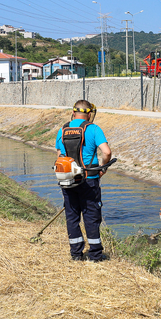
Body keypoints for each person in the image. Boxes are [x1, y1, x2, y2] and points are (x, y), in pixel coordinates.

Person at [56, 99, 112, 261]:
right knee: (91, 216)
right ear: (89, 115)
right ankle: (95, 255)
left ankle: (76, 254)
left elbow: (59, 155)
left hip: (68, 179)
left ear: (73, 113)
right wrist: (103, 168)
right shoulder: (93, 129)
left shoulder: (63, 130)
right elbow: (106, 152)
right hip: (89, 179)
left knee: (72, 216)